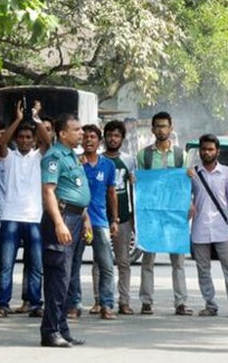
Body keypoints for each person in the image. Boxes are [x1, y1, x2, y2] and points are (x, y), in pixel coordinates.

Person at [0, 100, 50, 319]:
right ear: (17, 139)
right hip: (10, 217)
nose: (24, 141)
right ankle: (2, 304)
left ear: (33, 140)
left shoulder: (39, 157)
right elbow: (0, 143)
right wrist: (17, 119)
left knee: (36, 265)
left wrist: (36, 118)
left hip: (34, 217)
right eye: (21, 137)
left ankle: (35, 303)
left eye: (29, 138)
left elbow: (48, 142)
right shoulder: (9, 158)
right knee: (5, 265)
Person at [39, 114, 91, 348]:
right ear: (62, 133)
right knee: (57, 276)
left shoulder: (72, 156)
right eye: (77, 129)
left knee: (69, 277)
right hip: (62, 218)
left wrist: (85, 218)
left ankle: (62, 328)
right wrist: (59, 223)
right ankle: (50, 331)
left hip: (76, 217)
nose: (82, 133)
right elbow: (49, 192)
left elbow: (78, 192)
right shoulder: (54, 156)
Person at [137, 111, 192, 316]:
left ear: (171, 128)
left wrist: (189, 203)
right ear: (152, 129)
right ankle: (146, 301)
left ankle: (180, 302)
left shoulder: (181, 155)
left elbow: (184, 185)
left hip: (174, 211)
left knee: (178, 259)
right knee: (148, 258)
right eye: (157, 126)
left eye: (164, 126)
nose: (161, 130)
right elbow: (141, 184)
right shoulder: (144, 155)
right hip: (151, 212)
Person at [190, 134, 228, 318]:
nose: (207, 152)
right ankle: (210, 305)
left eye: (210, 149)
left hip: (221, 228)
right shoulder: (192, 173)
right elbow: (184, 197)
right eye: (204, 149)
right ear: (199, 151)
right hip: (199, 228)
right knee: (203, 269)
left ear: (217, 151)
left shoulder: (226, 173)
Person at [68, 124, 118, 320]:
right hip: (76, 219)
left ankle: (106, 304)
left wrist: (115, 219)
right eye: (85, 136)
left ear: (99, 141)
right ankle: (74, 305)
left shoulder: (108, 165)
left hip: (100, 221)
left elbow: (111, 193)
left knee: (106, 265)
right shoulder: (74, 162)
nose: (89, 140)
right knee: (74, 264)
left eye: (93, 137)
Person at [102, 120, 136, 315]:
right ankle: (101, 300)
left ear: (122, 139)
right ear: (104, 137)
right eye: (109, 135)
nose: (113, 139)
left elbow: (134, 189)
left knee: (123, 261)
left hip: (123, 216)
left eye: (116, 136)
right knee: (101, 262)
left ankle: (124, 301)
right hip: (101, 217)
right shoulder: (98, 159)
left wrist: (133, 218)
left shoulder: (129, 161)